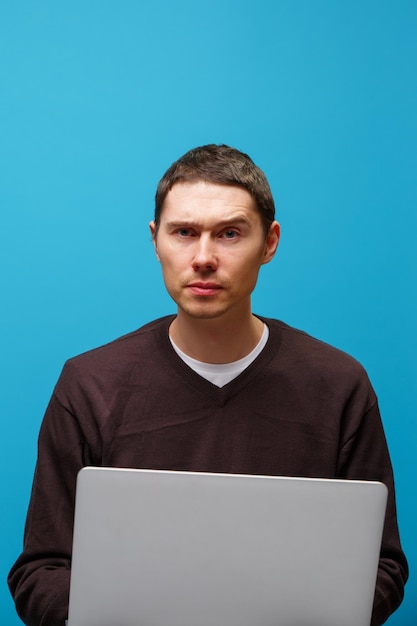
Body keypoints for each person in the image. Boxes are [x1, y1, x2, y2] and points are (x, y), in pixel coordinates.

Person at [9, 144, 408, 626]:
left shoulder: (339, 384)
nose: (203, 258)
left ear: (270, 243)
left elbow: (384, 567)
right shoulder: (89, 384)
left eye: (230, 234)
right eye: (184, 232)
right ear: (156, 240)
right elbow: (40, 572)